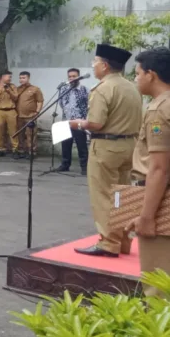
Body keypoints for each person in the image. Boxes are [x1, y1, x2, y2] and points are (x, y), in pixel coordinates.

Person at [68, 43, 142, 258]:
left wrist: (78, 124)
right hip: (129, 145)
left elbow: (96, 123)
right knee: (122, 195)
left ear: (105, 65)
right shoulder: (131, 87)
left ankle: (108, 243)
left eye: (96, 62)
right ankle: (124, 242)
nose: (94, 66)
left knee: (103, 195)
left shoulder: (103, 88)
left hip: (107, 147)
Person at [125, 47, 170, 295]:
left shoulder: (158, 110)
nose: (136, 78)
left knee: (158, 286)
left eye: (138, 73)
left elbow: (160, 169)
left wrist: (146, 217)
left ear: (151, 74)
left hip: (162, 201)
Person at [56, 68, 90, 174]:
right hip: (66, 120)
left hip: (79, 121)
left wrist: (81, 116)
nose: (71, 78)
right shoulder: (63, 89)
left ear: (79, 77)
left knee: (81, 145)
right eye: (70, 76)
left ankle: (84, 167)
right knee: (65, 144)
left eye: (74, 76)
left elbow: (89, 105)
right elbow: (61, 103)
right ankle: (65, 164)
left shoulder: (84, 89)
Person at [0, 71, 19, 158]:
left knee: (13, 131)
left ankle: (15, 149)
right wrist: (0, 91)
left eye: (10, 77)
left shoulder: (13, 87)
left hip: (11, 110)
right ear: (2, 78)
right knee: (0, 130)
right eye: (8, 77)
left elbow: (16, 98)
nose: (10, 78)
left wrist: (9, 91)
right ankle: (0, 149)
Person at [16, 71, 44, 157]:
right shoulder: (17, 89)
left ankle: (32, 152)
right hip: (19, 116)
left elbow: (40, 101)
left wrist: (37, 111)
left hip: (30, 116)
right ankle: (21, 151)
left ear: (28, 78)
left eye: (24, 78)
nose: (21, 80)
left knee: (31, 135)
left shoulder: (35, 89)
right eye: (20, 78)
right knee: (20, 134)